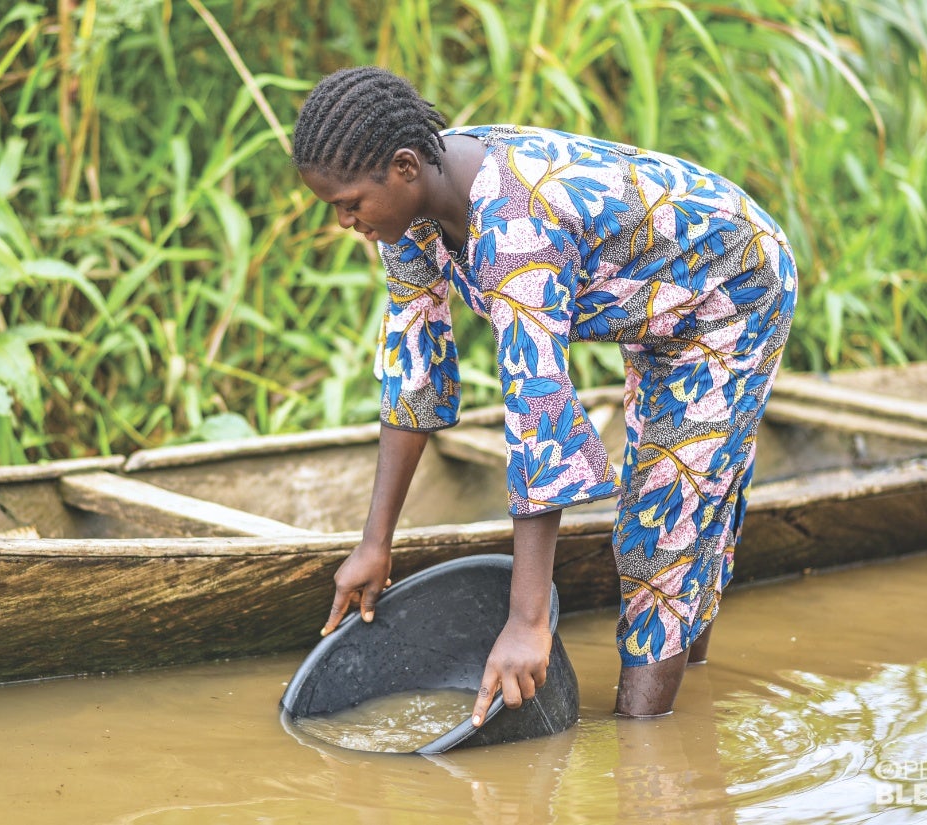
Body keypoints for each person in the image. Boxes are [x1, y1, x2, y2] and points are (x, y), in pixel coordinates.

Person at [292, 66, 796, 721]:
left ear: (405, 166)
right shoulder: (411, 216)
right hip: (655, 303)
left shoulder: (514, 226)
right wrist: (374, 544)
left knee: (660, 524)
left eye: (350, 202)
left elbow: (540, 416)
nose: (343, 220)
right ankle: (684, 681)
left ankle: (650, 752)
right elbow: (413, 372)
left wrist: (528, 619)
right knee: (673, 508)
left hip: (732, 290)